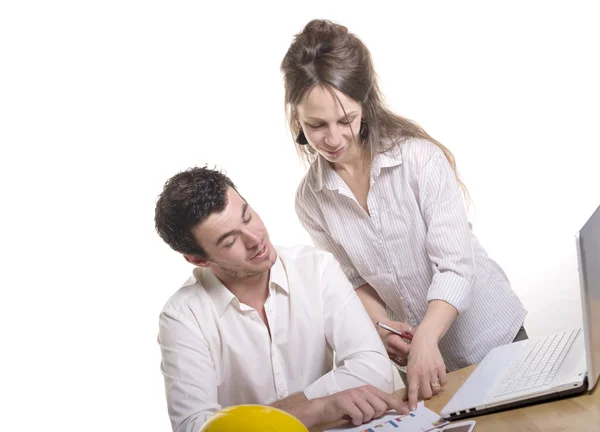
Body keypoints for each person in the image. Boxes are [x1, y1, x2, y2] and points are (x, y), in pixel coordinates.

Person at [281, 19, 528, 410]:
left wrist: (427, 337)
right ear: (297, 118)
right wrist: (382, 329)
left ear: (365, 102)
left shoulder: (419, 159)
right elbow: (354, 280)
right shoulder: (310, 201)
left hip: (491, 338)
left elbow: (455, 267)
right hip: (417, 360)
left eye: (345, 119)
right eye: (316, 125)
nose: (332, 138)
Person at [154, 166, 409, 432]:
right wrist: (316, 408)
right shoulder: (183, 317)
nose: (255, 239)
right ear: (198, 259)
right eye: (230, 241)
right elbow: (193, 427)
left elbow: (376, 370)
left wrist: (267, 416)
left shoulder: (316, 268)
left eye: (247, 216)